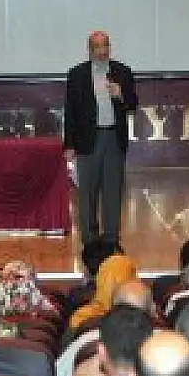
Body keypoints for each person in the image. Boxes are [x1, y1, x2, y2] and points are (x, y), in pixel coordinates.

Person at [64, 30, 138, 246]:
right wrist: (69, 144)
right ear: (90, 50)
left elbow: (133, 104)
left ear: (109, 48)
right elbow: (70, 111)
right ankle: (89, 240)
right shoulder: (77, 74)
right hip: (88, 139)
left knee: (113, 192)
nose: (101, 51)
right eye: (97, 47)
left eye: (105, 46)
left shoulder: (122, 72)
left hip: (114, 137)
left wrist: (120, 94)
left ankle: (111, 240)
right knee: (87, 193)